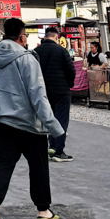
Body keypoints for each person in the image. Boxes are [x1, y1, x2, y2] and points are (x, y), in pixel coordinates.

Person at [0, 18, 63, 219]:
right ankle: (43, 210)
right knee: (38, 164)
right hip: (26, 122)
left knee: (2, 162)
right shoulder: (27, 58)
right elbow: (38, 95)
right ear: (22, 37)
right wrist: (53, 126)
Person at [35, 27, 75, 162]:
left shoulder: (36, 52)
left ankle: (51, 147)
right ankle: (59, 151)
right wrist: (69, 84)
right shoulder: (62, 50)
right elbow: (71, 70)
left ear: (45, 37)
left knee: (48, 118)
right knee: (61, 119)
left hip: (43, 91)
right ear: (56, 37)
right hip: (61, 91)